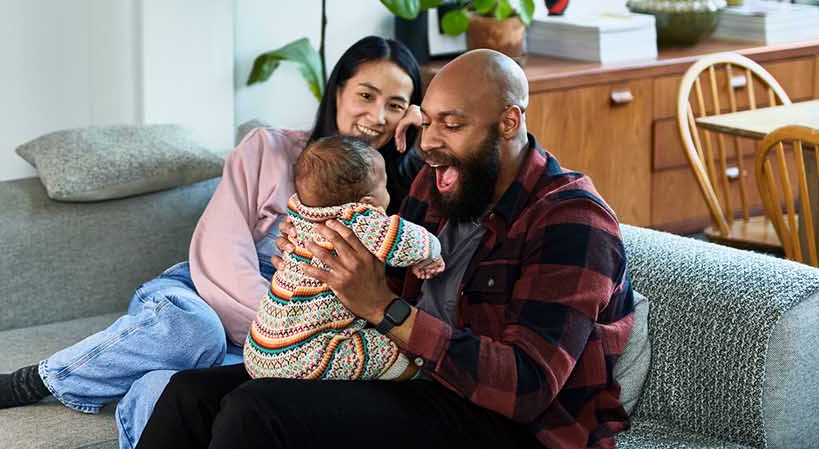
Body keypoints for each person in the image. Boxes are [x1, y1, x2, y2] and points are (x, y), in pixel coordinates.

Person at [0, 36, 428, 449]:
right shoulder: (270, 148)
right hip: (209, 298)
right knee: (193, 332)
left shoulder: (395, 196)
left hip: (285, 337)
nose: (378, 115)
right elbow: (218, 250)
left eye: (397, 105)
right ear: (337, 90)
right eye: (366, 94)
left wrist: (424, 142)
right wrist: (277, 329)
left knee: (168, 391)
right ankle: (33, 381)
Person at [136, 49, 636, 449]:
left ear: (508, 122)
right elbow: (375, 247)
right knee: (188, 395)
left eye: (452, 125)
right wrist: (320, 258)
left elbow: (527, 387)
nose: (431, 142)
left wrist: (383, 307)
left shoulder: (570, 220)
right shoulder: (434, 183)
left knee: (258, 410)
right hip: (416, 380)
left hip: (512, 424)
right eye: (429, 122)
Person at [244, 135, 442, 382]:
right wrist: (431, 252)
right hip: (308, 357)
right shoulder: (357, 220)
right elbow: (406, 242)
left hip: (259, 349)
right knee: (381, 348)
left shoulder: (299, 214)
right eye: (385, 186)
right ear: (367, 202)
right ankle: (418, 377)